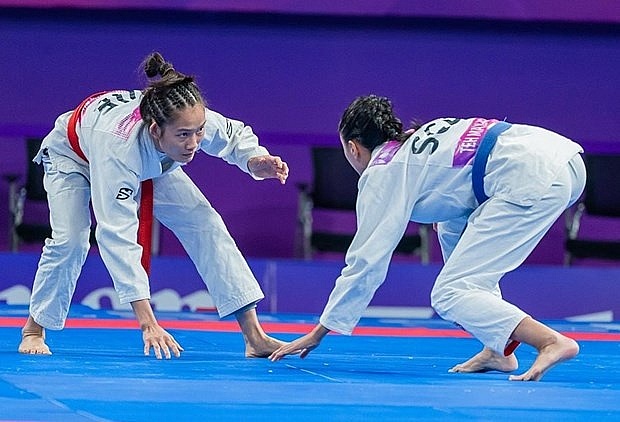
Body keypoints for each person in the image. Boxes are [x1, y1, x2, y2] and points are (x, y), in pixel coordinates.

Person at [270, 94, 584, 381]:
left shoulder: (382, 170)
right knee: (449, 228)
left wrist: (319, 331)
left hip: (531, 176)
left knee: (449, 293)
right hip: (563, 160)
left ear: (353, 148)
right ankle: (497, 348)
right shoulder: (418, 138)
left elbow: (365, 261)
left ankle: (549, 341)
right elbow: (458, 188)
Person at [18, 52, 289, 360]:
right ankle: (34, 329)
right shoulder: (120, 150)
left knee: (204, 222)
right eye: (184, 135)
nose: (194, 142)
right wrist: (148, 324)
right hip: (72, 157)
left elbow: (233, 135)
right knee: (71, 240)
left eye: (198, 131)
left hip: (151, 158)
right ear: (155, 130)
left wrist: (254, 160)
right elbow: (117, 235)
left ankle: (255, 337)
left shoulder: (186, 114)